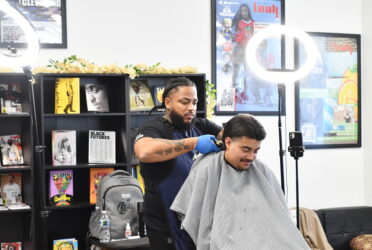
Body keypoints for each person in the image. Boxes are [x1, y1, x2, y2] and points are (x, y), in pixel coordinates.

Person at [171, 114, 311, 250]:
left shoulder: (262, 170)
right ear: (228, 142)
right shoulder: (208, 168)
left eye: (256, 151)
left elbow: (280, 219)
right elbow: (194, 219)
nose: (251, 157)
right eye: (246, 150)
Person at [133, 77, 223, 250]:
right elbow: (144, 152)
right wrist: (193, 143)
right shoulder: (154, 128)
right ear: (167, 102)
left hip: (196, 219)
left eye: (195, 103)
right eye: (184, 102)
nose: (191, 108)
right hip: (164, 225)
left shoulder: (200, 125)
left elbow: (230, 136)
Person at [231, 3, 255, 104]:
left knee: (247, 73)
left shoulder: (253, 23)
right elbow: (233, 36)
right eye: (242, 11)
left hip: (249, 49)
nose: (244, 13)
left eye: (246, 10)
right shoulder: (238, 22)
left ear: (248, 11)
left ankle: (245, 94)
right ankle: (234, 94)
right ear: (240, 12)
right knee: (235, 72)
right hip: (239, 48)